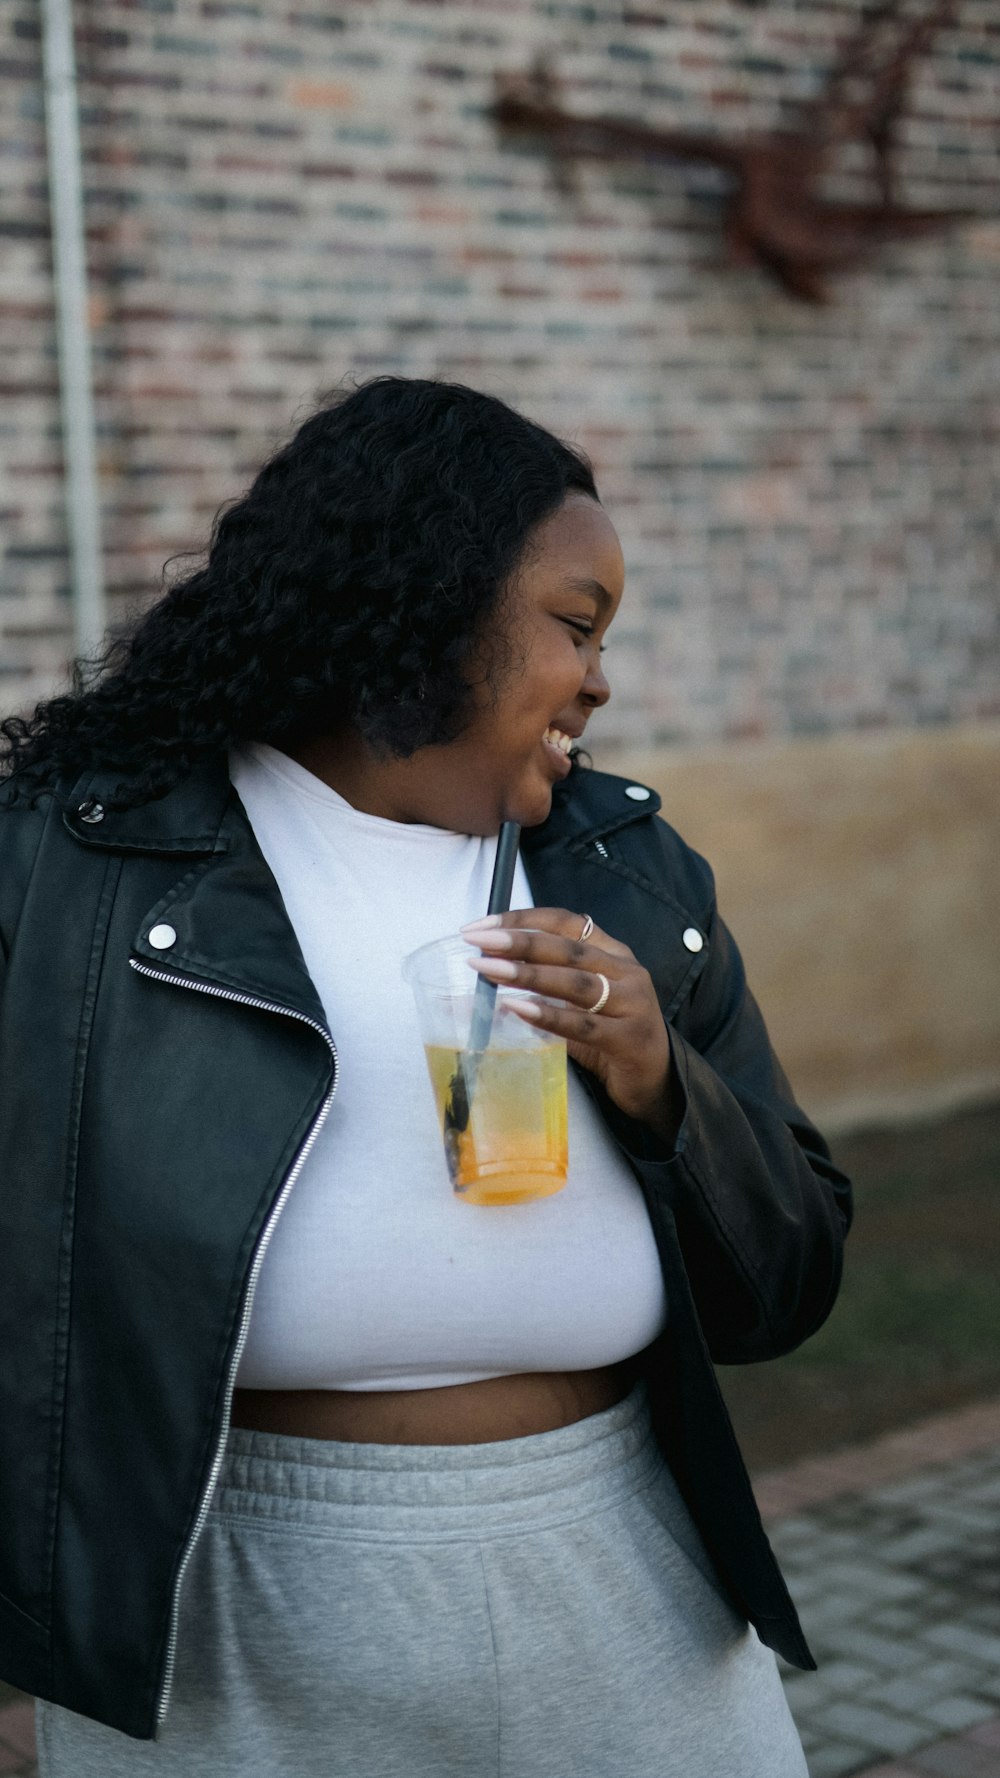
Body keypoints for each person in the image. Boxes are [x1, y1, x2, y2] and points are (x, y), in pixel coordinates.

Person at [0, 377, 851, 1777]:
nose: (601, 678)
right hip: (227, 1600)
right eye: (574, 624)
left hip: (622, 1562)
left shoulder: (629, 870)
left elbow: (792, 1274)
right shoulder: (80, 863)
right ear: (426, 596)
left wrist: (660, 1076)